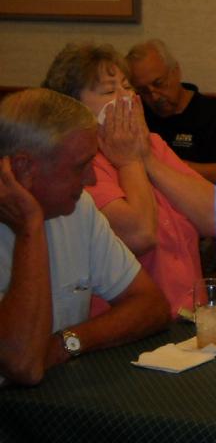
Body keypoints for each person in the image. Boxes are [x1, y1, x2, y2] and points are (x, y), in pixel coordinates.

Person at [0, 88, 169, 385]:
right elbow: (23, 364)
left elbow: (151, 305)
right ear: (23, 168)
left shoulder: (79, 209)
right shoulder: (42, 218)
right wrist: (30, 228)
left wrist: (68, 342)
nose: (92, 179)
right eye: (80, 166)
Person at [43, 43, 216, 317]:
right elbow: (140, 235)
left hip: (188, 316)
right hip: (129, 323)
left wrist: (147, 158)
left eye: (127, 87)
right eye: (110, 91)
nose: (127, 98)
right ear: (74, 106)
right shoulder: (78, 165)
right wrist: (130, 161)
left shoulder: (152, 144)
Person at [125, 39, 216, 182]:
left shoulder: (210, 112)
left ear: (176, 71)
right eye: (144, 91)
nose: (154, 96)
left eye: (159, 84)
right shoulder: (137, 115)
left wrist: (167, 165)